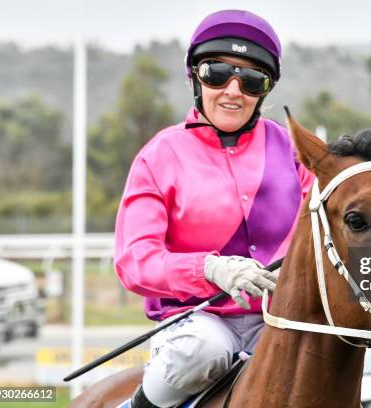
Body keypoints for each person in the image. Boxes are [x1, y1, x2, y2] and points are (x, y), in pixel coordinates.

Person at [113, 9, 314, 408]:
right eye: (217, 73)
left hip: (279, 317)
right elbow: (135, 260)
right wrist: (210, 268)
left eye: (252, 80)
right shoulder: (160, 155)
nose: (233, 91)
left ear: (265, 90)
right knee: (204, 349)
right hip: (196, 320)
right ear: (195, 78)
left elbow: (323, 228)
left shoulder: (294, 149)